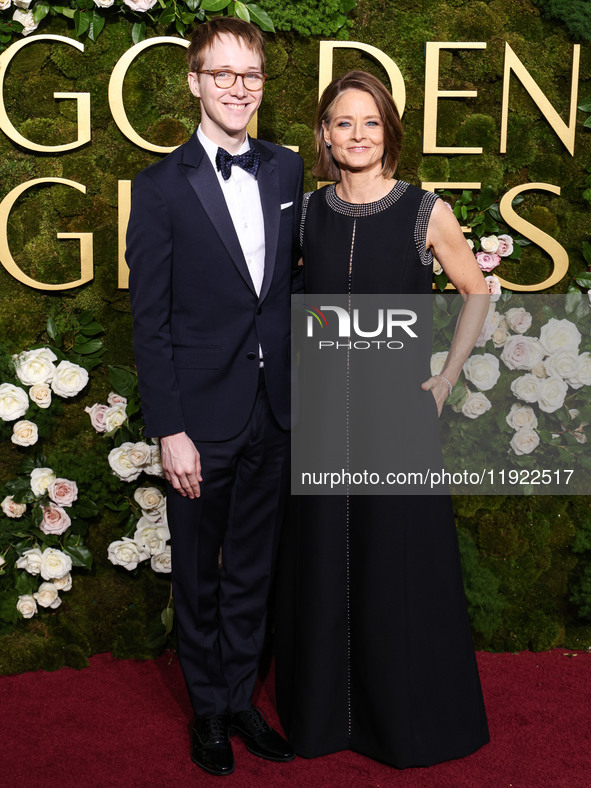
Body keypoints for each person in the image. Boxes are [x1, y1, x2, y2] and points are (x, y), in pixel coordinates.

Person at [275, 70, 490, 767]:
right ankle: (324, 720)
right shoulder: (305, 214)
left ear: (388, 133)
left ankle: (400, 723)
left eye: (369, 123)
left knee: (393, 565)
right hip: (319, 419)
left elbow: (475, 292)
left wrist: (445, 377)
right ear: (325, 135)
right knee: (321, 563)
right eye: (342, 123)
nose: (356, 135)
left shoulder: (426, 212)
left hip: (395, 413)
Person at [126, 17, 302, 777]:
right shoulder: (161, 188)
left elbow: (293, 288)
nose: (238, 88)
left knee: (256, 569)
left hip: (277, 409)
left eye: (251, 75)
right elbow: (150, 321)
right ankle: (206, 713)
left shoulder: (288, 169)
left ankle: (238, 700)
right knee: (198, 574)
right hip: (200, 419)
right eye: (222, 74)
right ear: (195, 82)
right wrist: (171, 430)